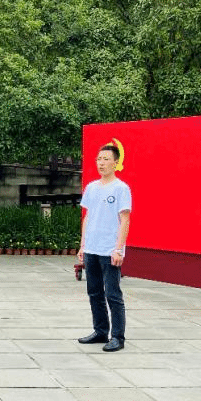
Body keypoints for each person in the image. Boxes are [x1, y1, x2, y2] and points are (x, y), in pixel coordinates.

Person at [77, 143, 132, 353]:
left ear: (116, 163)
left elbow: (125, 220)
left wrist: (119, 249)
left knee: (113, 294)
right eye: (99, 159)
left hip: (110, 250)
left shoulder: (121, 188)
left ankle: (117, 336)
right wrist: (82, 245)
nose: (101, 163)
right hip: (91, 248)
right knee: (94, 293)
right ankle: (100, 331)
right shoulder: (91, 188)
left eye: (106, 159)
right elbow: (88, 217)